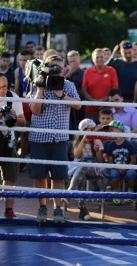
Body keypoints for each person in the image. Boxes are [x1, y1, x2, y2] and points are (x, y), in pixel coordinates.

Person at [29, 55, 81, 224]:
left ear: (65, 69)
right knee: (40, 176)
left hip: (59, 138)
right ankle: (42, 207)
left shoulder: (68, 85)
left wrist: (61, 95)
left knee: (58, 176)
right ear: (46, 68)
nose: (56, 72)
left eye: (59, 68)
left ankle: (58, 209)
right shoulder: (37, 84)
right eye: (53, 68)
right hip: (39, 138)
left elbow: (78, 105)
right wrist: (40, 89)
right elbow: (34, 111)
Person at [0, 73, 26, 217]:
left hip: (7, 140)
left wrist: (14, 118)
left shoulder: (13, 98)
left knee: (10, 178)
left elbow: (23, 122)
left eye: (4, 87)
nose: (2, 91)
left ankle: (9, 210)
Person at [67, 119, 103, 221]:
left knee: (83, 167)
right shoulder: (78, 142)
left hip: (93, 168)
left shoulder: (97, 141)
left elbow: (100, 161)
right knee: (81, 177)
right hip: (79, 169)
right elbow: (76, 156)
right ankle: (82, 208)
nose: (90, 133)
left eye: (92, 130)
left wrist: (97, 151)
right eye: (88, 130)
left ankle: (69, 192)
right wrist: (83, 140)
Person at [104, 120, 137, 205]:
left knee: (132, 174)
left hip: (128, 167)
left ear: (119, 130)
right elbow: (110, 161)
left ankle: (130, 191)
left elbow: (133, 160)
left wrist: (125, 167)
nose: (110, 132)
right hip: (116, 168)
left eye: (112, 129)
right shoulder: (110, 145)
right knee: (113, 175)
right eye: (109, 130)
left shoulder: (128, 144)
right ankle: (116, 193)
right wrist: (118, 167)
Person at [82, 48, 118, 124]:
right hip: (90, 110)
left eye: (101, 57)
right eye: (97, 57)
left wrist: (101, 102)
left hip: (107, 110)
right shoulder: (87, 72)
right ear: (92, 59)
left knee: (108, 134)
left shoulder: (112, 71)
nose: (99, 59)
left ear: (105, 58)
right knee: (91, 134)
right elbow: (84, 90)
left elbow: (114, 89)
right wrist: (93, 102)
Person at [66, 50, 85, 130]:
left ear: (79, 60)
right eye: (70, 62)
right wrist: (69, 73)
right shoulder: (65, 72)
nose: (72, 64)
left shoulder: (84, 73)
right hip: (67, 107)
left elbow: (85, 92)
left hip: (80, 106)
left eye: (74, 61)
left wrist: (72, 90)